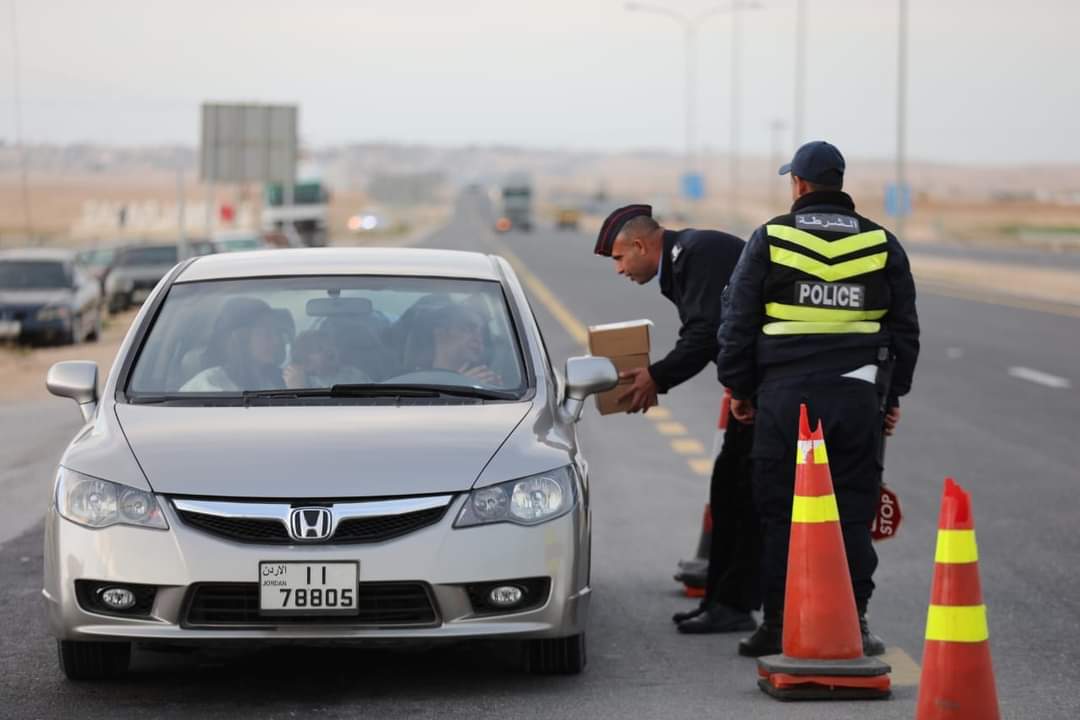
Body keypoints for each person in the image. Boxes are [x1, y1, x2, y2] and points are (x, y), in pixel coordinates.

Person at [717, 140, 920, 657]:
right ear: (839, 182)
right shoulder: (881, 242)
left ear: (800, 185)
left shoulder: (771, 238)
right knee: (851, 513)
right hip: (856, 399)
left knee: (781, 514)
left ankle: (779, 625)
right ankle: (856, 623)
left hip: (784, 400)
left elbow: (738, 320)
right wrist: (890, 396)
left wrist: (740, 389)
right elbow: (904, 329)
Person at [594, 204, 761, 634]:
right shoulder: (684, 258)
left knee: (744, 496)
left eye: (618, 258)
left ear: (640, 244)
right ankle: (725, 602)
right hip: (754, 389)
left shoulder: (695, 254)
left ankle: (740, 604)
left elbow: (706, 334)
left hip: (769, 391)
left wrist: (656, 377)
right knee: (730, 492)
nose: (618, 270)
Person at [181, 297, 287, 392]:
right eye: (266, 333)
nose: (276, 341)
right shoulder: (204, 387)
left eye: (277, 332)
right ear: (242, 339)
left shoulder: (272, 382)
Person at [283, 329, 371, 388]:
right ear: (306, 364)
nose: (328, 350)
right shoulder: (304, 382)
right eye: (319, 349)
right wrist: (299, 387)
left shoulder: (352, 373)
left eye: (331, 345)